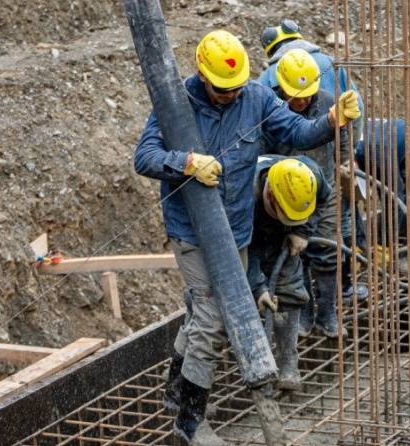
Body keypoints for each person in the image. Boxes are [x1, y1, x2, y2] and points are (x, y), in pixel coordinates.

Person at [134, 30, 360, 445]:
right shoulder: (175, 104)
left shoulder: (254, 97)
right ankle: (188, 424)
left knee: (204, 315)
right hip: (192, 232)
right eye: (223, 89)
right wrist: (183, 162)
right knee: (213, 319)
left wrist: (332, 122)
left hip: (236, 229)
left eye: (237, 88)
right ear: (203, 76)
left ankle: (174, 391)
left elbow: (296, 132)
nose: (231, 95)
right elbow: (143, 157)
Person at [263, 48, 366, 339]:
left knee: (329, 251)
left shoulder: (328, 102)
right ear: (281, 86)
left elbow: (344, 136)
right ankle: (306, 316)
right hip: (287, 191)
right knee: (297, 252)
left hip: (326, 187)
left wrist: (345, 162)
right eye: (295, 95)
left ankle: (328, 315)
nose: (302, 100)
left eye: (306, 94)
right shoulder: (268, 106)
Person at [247, 155, 331, 390]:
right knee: (222, 306)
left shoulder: (311, 178)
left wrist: (302, 230)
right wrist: (258, 287)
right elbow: (241, 250)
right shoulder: (242, 197)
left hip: (282, 238)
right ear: (270, 195)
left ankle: (288, 363)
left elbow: (324, 200)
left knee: (290, 291)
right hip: (245, 240)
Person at [258, 19, 364, 144]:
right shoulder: (331, 63)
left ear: (271, 52)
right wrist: (351, 150)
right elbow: (356, 108)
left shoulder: (268, 76)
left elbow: (258, 128)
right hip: (330, 154)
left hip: (288, 160)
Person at [350, 117, 410, 272]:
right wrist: (356, 246)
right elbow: (349, 201)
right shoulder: (341, 146)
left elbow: (394, 200)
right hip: (389, 144)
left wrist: (383, 246)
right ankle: (360, 246)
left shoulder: (377, 154)